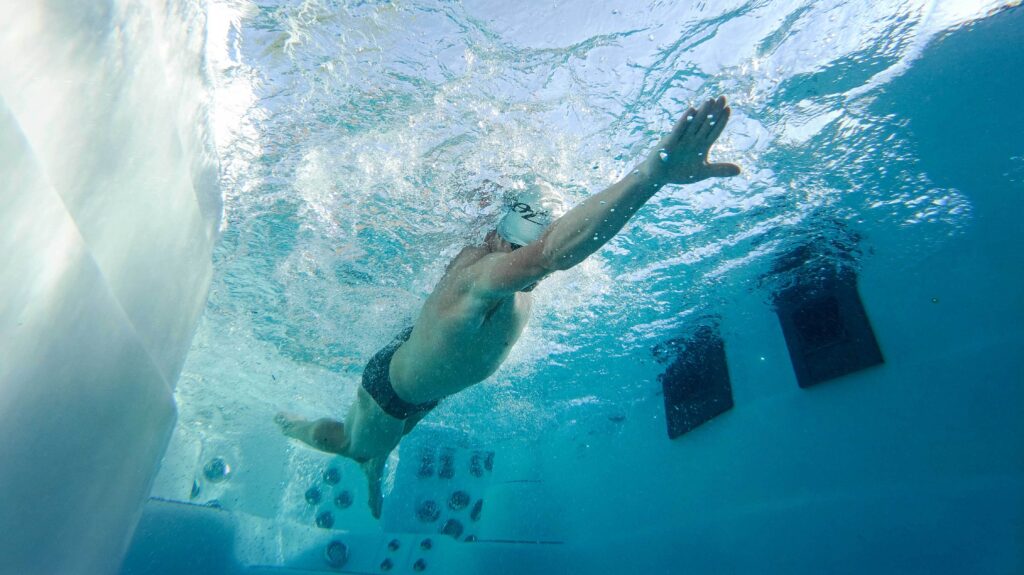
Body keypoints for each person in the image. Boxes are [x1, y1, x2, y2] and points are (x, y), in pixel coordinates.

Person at [276, 95, 741, 517]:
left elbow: (544, 247)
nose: (533, 244)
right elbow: (553, 254)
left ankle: (378, 455)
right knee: (353, 446)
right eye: (528, 234)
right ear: (509, 238)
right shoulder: (487, 274)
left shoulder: (498, 271)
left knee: (395, 431)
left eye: (542, 228)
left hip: (423, 377)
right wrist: (652, 175)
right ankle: (297, 429)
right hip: (393, 389)